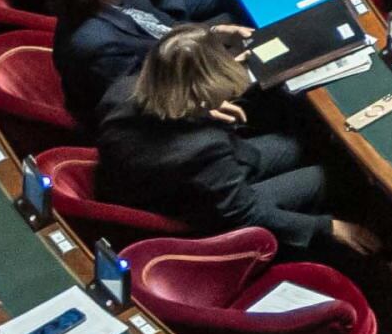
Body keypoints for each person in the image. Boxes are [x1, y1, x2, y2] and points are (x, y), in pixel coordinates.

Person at [97, 25, 346, 253]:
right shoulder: (204, 147)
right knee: (321, 176)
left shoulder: (122, 90)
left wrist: (198, 109)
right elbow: (246, 213)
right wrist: (327, 226)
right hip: (198, 211)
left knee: (294, 145)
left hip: (165, 181)